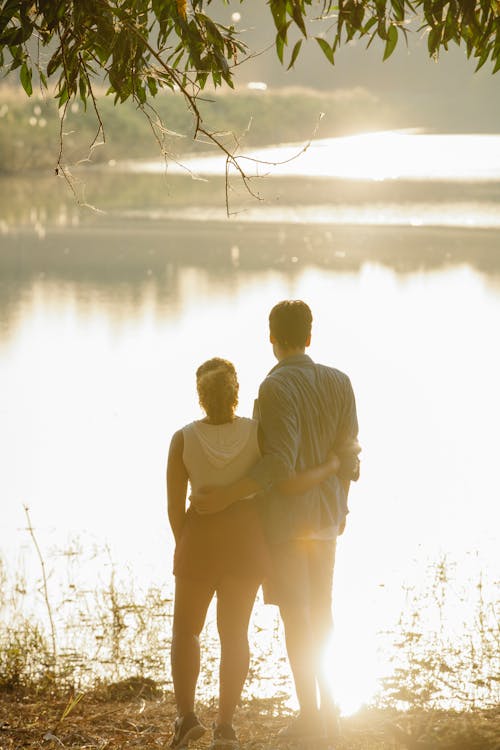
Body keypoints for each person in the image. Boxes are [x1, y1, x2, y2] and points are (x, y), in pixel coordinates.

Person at [191, 301, 360, 743]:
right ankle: (330, 711)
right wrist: (340, 503)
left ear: (272, 338)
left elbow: (279, 469)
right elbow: (351, 456)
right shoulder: (341, 382)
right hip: (327, 519)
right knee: (322, 612)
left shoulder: (273, 388)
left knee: (295, 618)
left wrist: (230, 491)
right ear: (309, 335)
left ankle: (312, 717)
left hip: (287, 525)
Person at [166, 357, 341, 750]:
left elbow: (175, 507)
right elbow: (272, 481)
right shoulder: (257, 434)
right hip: (245, 543)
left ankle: (186, 718)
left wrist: (187, 543)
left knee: (186, 632)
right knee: (234, 635)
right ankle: (225, 728)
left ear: (200, 396)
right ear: (236, 393)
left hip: (200, 540)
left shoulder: (183, 438)